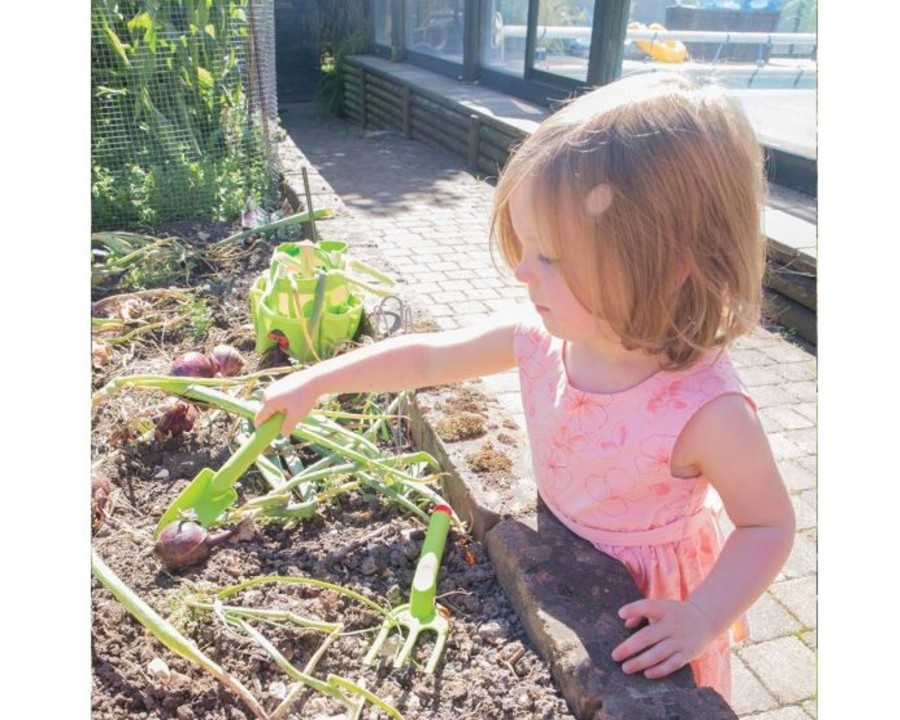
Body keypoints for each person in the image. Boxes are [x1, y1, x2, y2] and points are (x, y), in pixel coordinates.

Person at [254, 71, 795, 702]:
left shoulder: (707, 411)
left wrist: (702, 617)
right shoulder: (543, 341)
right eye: (526, 248)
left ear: (667, 266)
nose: (520, 271)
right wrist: (318, 380)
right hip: (560, 556)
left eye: (550, 257)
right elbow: (430, 358)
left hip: (649, 611)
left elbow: (767, 526)